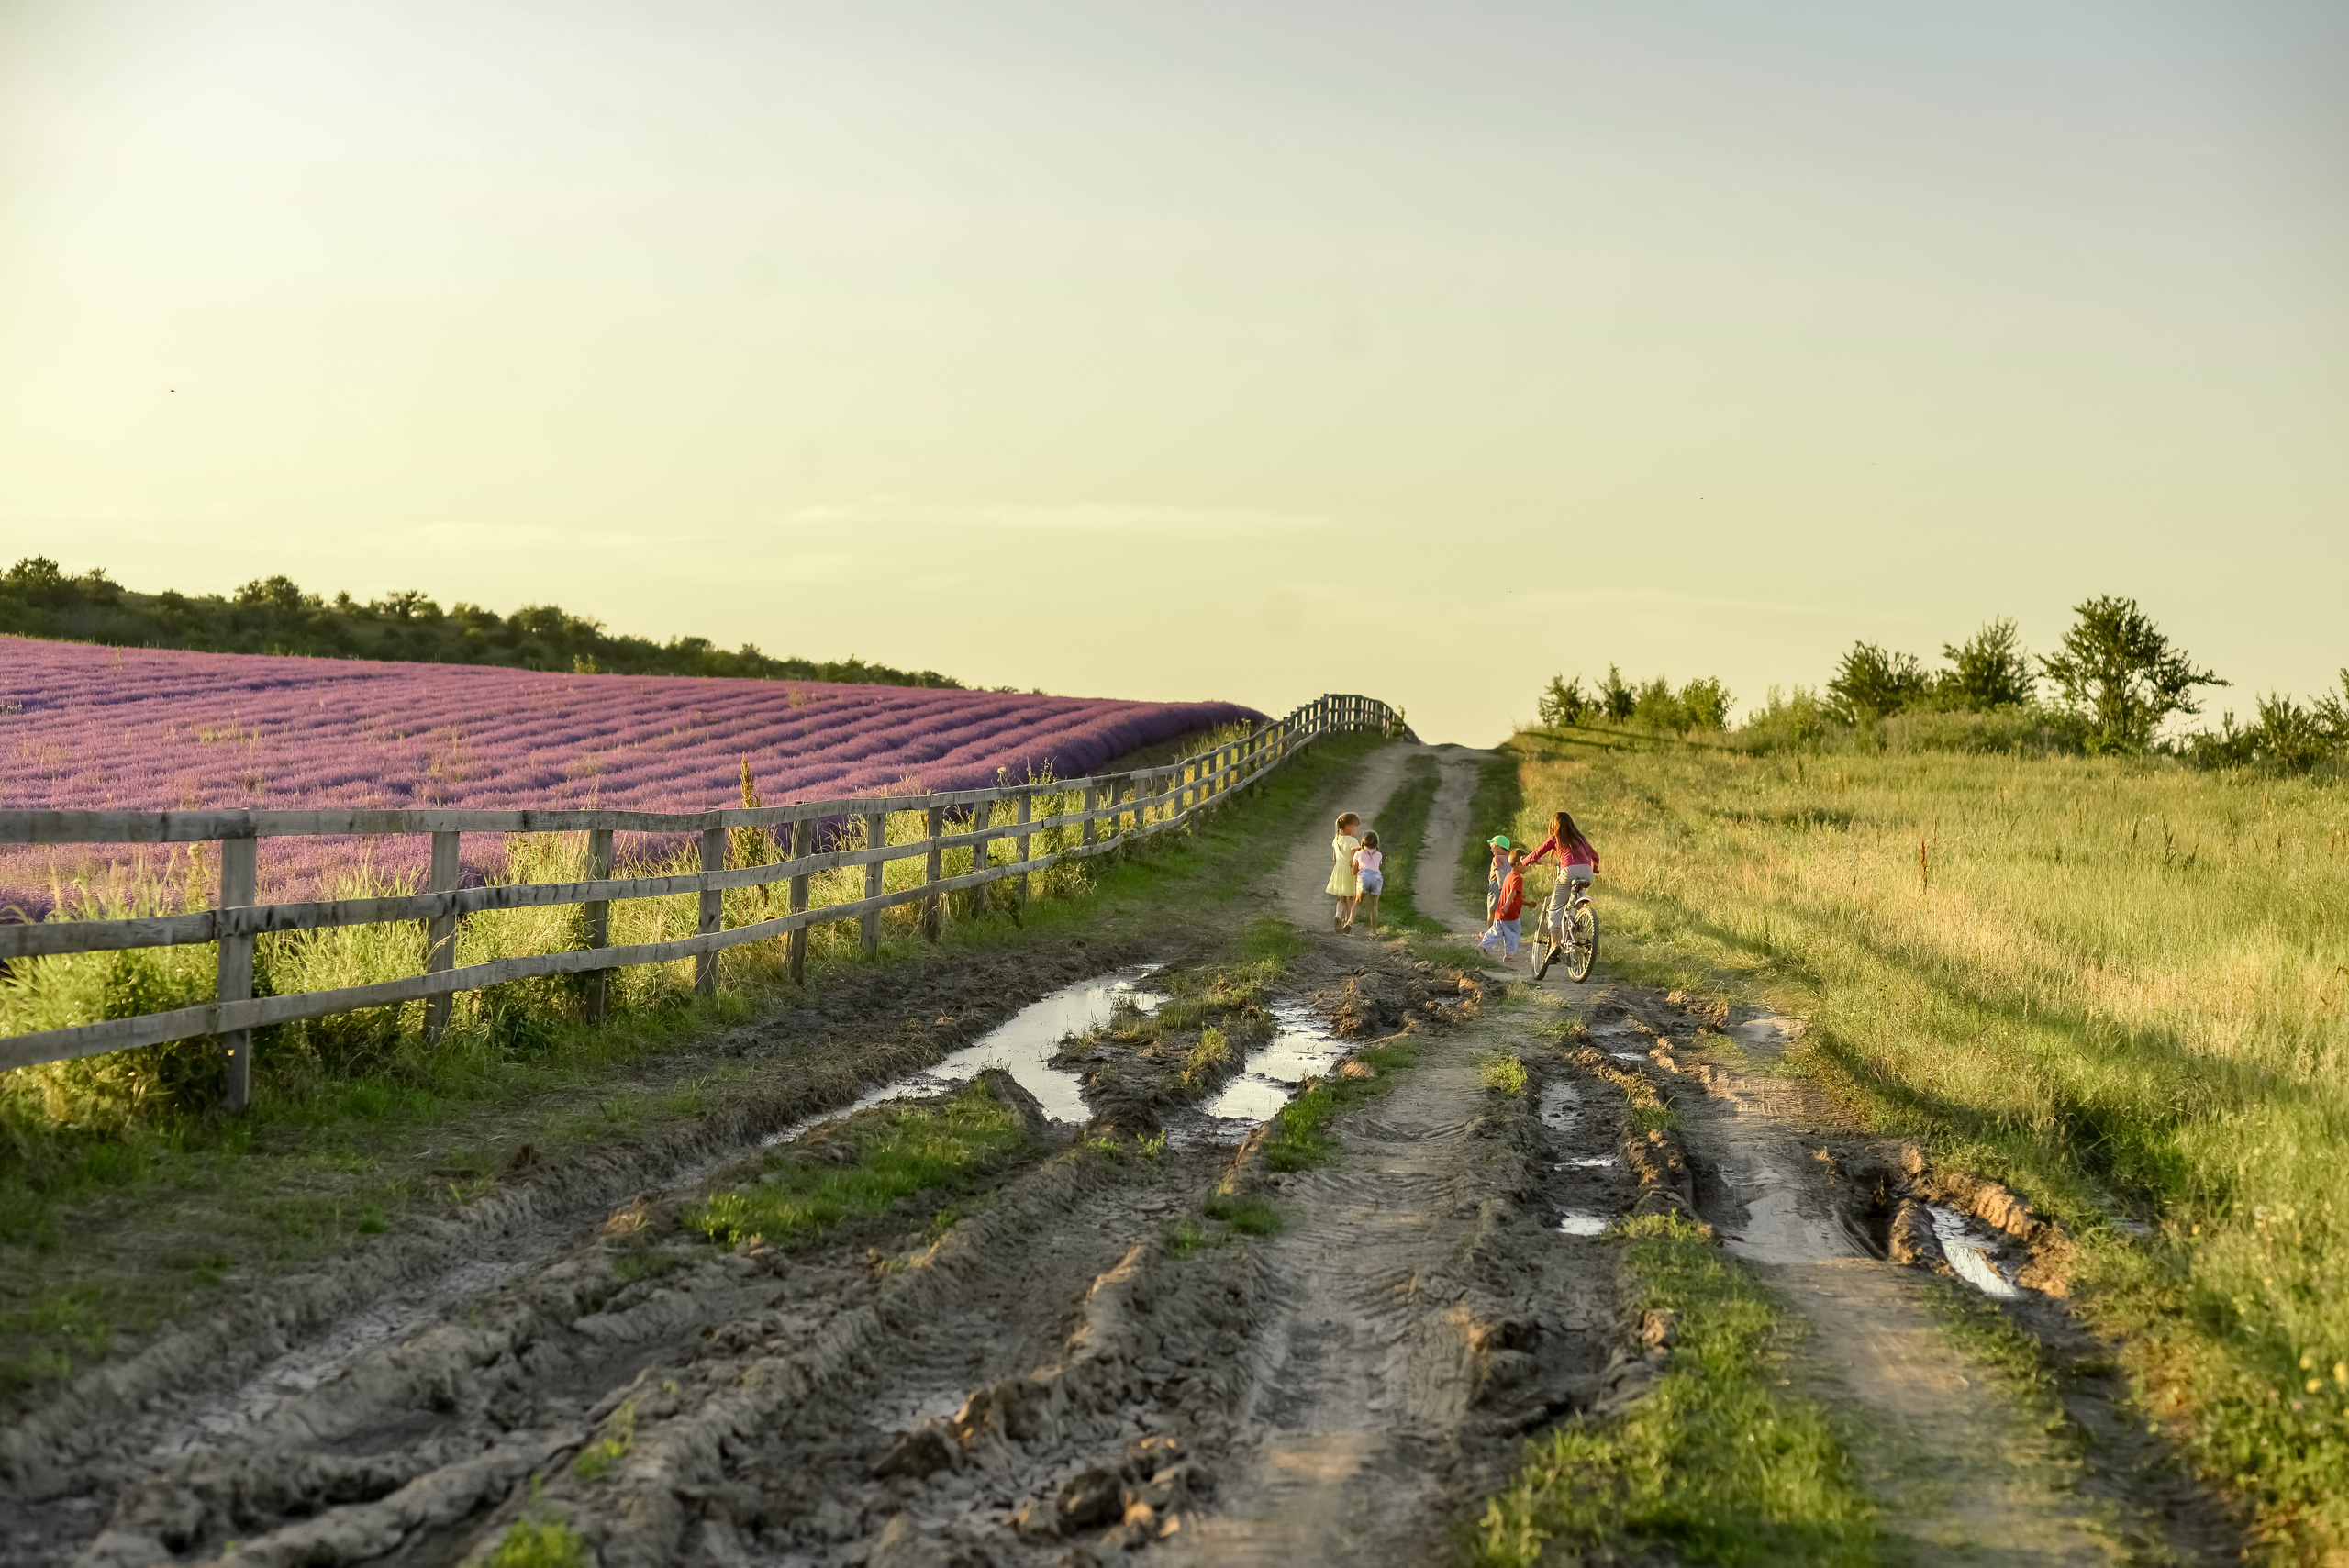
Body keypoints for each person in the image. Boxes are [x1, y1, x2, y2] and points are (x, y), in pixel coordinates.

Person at [1520, 810, 1599, 959]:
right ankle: (1583, 924)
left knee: (1556, 907)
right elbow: (1595, 856)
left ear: (1554, 826)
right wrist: (1594, 869)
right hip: (1587, 871)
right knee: (1577, 898)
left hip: (1568, 871)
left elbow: (1537, 852)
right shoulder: (1580, 837)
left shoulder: (1555, 838)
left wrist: (1525, 861)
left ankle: (1555, 943)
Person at [1481, 849, 1527, 963]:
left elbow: (1514, 896)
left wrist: (1528, 903)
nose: (1528, 867)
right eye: (1526, 864)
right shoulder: (1517, 878)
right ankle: (1509, 955)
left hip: (1499, 912)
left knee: (1495, 932)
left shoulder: (1508, 876)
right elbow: (1512, 893)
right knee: (1514, 933)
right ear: (1518, 864)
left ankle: (1482, 946)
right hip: (1510, 913)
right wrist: (1506, 906)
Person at [1326, 813, 1363, 932]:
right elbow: (1355, 860)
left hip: (1338, 871)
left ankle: (1337, 915)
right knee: (1351, 899)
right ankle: (1347, 925)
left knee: (1342, 900)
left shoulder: (1336, 839)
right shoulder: (1353, 841)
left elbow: (1335, 858)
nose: (1357, 829)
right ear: (1348, 827)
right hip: (1349, 872)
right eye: (1355, 826)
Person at [1353, 831, 1384, 934]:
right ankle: (1373, 931)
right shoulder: (1379, 855)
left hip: (1364, 878)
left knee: (1358, 901)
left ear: (1362, 842)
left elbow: (1354, 872)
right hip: (1377, 879)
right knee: (1374, 905)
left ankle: (1349, 922)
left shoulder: (1358, 854)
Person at [1484, 835, 1513, 925]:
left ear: (1500, 846)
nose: (1491, 849)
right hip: (1509, 887)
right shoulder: (1511, 858)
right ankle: (1502, 930)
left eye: (1493, 846)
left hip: (1497, 887)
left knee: (1492, 911)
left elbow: (1499, 874)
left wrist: (1502, 888)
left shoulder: (1497, 858)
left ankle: (1490, 931)